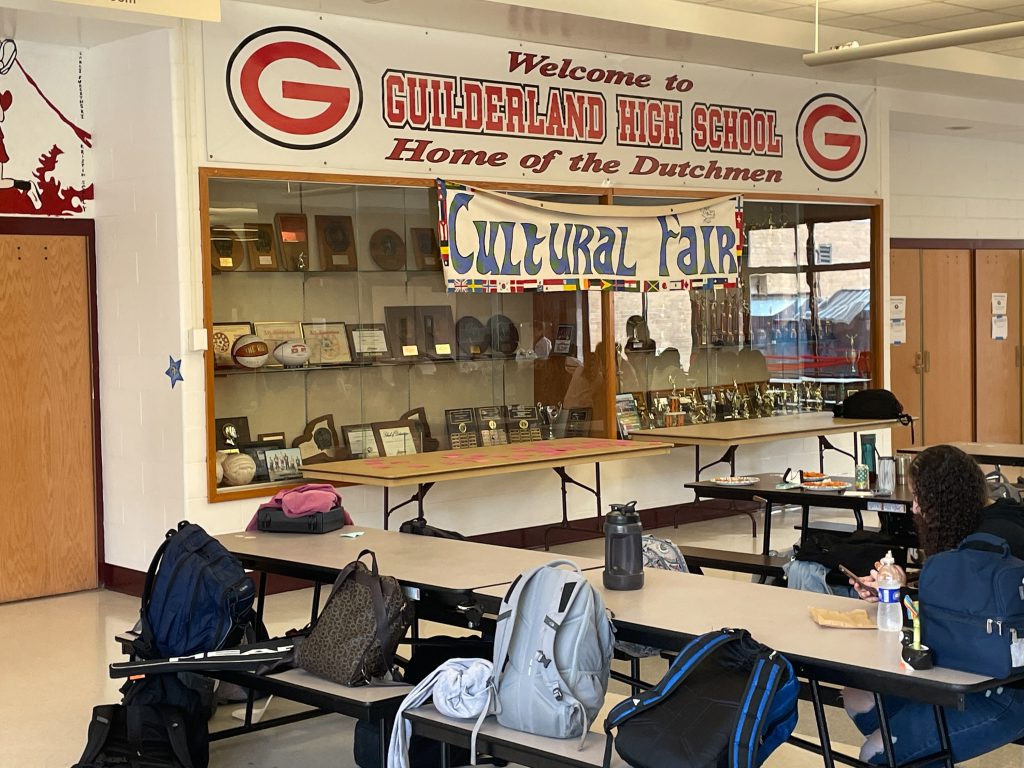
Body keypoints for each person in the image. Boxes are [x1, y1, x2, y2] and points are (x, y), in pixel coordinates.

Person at [841, 445, 1024, 765]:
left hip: (1005, 690)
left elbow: (952, 626)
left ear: (946, 497)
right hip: (967, 670)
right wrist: (896, 592)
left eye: (918, 498)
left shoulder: (994, 542)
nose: (913, 508)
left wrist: (902, 597)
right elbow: (961, 616)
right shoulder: (982, 524)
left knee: (876, 751)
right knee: (857, 696)